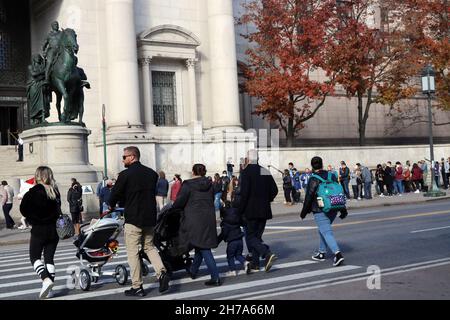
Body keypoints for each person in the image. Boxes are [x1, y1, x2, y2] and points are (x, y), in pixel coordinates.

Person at [108, 146, 170, 296]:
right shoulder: (152, 174)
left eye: (124, 157)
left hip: (134, 218)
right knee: (149, 247)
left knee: (133, 252)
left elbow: (115, 195)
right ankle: (161, 272)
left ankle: (137, 286)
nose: (123, 160)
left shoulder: (125, 175)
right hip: (149, 217)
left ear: (132, 156)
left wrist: (111, 204)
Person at [172, 164, 221, 286]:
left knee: (204, 247)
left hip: (194, 219)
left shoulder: (188, 184)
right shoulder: (210, 184)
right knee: (200, 244)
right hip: (208, 217)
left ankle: (215, 277)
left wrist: (174, 208)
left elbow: (180, 201)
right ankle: (193, 270)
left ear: (193, 172)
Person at [20, 166, 61, 299]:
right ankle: (49, 291)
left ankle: (45, 279)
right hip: (54, 230)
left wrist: (32, 219)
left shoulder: (33, 192)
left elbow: (23, 209)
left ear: (38, 176)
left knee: (34, 257)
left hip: (39, 229)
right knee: (49, 259)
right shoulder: (55, 191)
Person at [300, 156, 347, 267]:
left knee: (326, 232)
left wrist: (303, 212)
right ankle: (321, 253)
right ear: (322, 164)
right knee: (323, 230)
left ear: (312, 166)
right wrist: (343, 208)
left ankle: (338, 254)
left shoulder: (313, 178)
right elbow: (338, 193)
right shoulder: (331, 175)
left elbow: (309, 197)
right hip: (334, 207)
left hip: (320, 209)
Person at [238, 149, 278, 273]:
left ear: (248, 159)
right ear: (258, 159)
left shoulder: (246, 172)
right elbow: (275, 190)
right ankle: (255, 263)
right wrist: (267, 199)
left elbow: (244, 194)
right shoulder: (265, 171)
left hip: (250, 210)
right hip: (264, 209)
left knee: (250, 237)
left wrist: (240, 210)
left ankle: (266, 253)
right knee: (257, 237)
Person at [218, 199, 248, 276]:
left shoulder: (225, 222)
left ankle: (233, 270)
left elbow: (224, 234)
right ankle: (246, 263)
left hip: (232, 242)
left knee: (230, 256)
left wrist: (217, 241)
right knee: (238, 255)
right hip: (239, 239)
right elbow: (243, 223)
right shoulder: (237, 217)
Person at [27, 54, 51, 125]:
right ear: (34, 59)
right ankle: (32, 118)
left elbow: (46, 74)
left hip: (41, 85)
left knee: (43, 102)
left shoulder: (42, 67)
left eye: (38, 57)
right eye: (36, 57)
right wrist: (44, 71)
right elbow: (34, 74)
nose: (38, 58)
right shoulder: (30, 67)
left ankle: (43, 118)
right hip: (33, 86)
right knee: (34, 103)